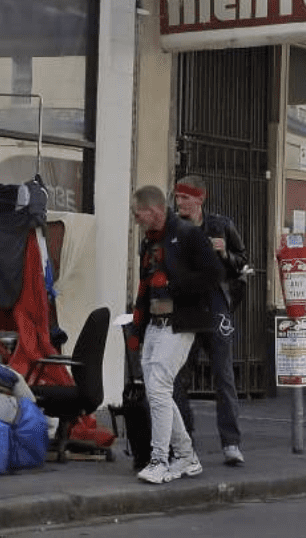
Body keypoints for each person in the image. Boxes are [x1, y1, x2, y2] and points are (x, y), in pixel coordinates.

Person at [129, 185, 224, 484]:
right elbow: (144, 288)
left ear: (154, 211)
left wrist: (174, 284)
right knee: (158, 389)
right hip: (156, 324)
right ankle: (185, 456)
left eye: (138, 214)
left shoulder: (187, 234)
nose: (136, 220)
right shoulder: (149, 242)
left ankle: (160, 459)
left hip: (181, 323)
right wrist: (137, 327)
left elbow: (213, 274)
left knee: (157, 386)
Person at [171, 175, 249, 467]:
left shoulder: (221, 225)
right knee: (178, 376)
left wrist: (224, 252)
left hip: (216, 306)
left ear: (199, 199)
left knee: (224, 375)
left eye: (185, 198)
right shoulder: (173, 228)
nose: (180, 203)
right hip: (186, 308)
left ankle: (231, 443)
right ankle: (185, 439)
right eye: (177, 198)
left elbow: (243, 260)